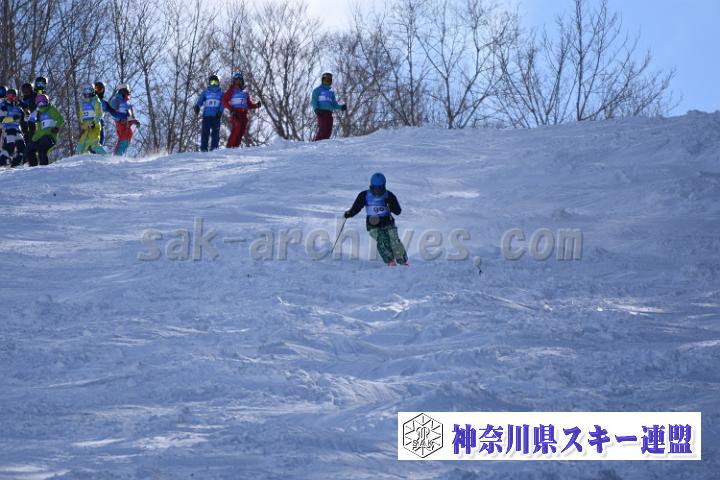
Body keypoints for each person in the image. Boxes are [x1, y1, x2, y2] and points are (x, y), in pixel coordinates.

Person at [344, 173, 408, 266]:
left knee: (394, 240)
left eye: (380, 188)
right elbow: (356, 207)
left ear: (384, 186)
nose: (378, 191)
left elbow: (398, 211)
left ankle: (402, 261)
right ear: (371, 186)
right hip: (373, 224)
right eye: (375, 188)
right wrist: (350, 213)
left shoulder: (388, 195)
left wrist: (389, 205)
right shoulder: (364, 195)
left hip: (388, 222)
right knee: (382, 240)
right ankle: (390, 261)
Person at [222, 72, 261, 148]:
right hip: (236, 113)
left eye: (239, 80)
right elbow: (224, 101)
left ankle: (236, 147)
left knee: (242, 131)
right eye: (236, 80)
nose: (238, 82)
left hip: (244, 114)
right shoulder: (231, 90)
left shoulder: (245, 92)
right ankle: (229, 147)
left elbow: (249, 104)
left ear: (242, 81)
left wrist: (256, 105)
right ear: (234, 81)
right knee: (237, 128)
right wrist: (231, 109)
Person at [26, 94, 64, 166]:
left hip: (50, 136)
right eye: (39, 103)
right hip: (40, 136)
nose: (41, 105)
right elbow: (29, 118)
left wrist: (56, 128)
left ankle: (43, 167)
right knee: (29, 149)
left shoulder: (51, 110)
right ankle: (33, 167)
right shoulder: (38, 112)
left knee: (42, 148)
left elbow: (60, 119)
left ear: (47, 102)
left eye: (43, 103)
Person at [311, 72, 346, 141]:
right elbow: (314, 100)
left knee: (328, 131)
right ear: (322, 80)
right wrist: (316, 109)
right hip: (321, 112)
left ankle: (325, 145)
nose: (327, 82)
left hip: (329, 113)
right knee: (323, 129)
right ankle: (317, 143)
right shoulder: (317, 90)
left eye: (329, 81)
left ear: (331, 82)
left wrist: (341, 107)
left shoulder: (331, 92)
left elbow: (334, 104)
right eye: (325, 80)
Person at [194, 74, 224, 151]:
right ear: (209, 83)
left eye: (215, 82)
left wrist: (220, 112)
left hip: (216, 116)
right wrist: (197, 106)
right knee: (205, 132)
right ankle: (204, 148)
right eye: (212, 82)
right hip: (207, 116)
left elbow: (223, 103)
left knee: (215, 133)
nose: (213, 84)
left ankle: (214, 148)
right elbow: (200, 100)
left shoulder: (221, 93)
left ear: (218, 83)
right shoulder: (206, 92)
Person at [108, 84, 139, 156]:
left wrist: (135, 121)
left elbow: (130, 116)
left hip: (128, 125)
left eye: (128, 92)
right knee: (123, 138)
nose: (127, 94)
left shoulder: (128, 103)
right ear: (122, 91)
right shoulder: (116, 101)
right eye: (126, 92)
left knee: (128, 139)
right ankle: (116, 156)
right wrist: (119, 119)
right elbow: (112, 112)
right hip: (121, 124)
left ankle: (120, 156)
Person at [0, 88, 26, 167]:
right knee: (10, 147)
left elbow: (24, 118)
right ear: (6, 96)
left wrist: (26, 113)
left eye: (13, 96)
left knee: (22, 147)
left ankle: (15, 164)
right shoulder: (3, 105)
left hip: (17, 129)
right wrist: (12, 118)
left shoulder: (17, 106)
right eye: (9, 96)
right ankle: (1, 161)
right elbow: (2, 120)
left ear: (15, 97)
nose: (11, 98)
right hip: (8, 129)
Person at [77, 85, 106, 154]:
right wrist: (83, 126)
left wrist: (94, 122)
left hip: (94, 126)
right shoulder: (82, 103)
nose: (87, 93)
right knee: (81, 147)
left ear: (92, 92)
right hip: (86, 127)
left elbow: (99, 113)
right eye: (85, 91)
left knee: (94, 145)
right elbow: (81, 115)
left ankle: (105, 157)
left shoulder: (95, 101)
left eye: (89, 91)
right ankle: (84, 160)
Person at [94, 81, 108, 145]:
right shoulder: (92, 100)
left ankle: (99, 147)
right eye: (96, 89)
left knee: (101, 139)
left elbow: (113, 111)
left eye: (100, 89)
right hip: (92, 121)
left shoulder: (104, 102)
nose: (98, 91)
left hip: (100, 122)